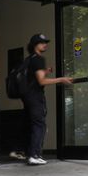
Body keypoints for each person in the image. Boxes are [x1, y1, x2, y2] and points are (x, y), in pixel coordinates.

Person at [21, 33, 72, 165]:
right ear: (35, 45)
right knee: (40, 125)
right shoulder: (38, 59)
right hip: (35, 97)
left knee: (33, 125)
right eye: (42, 42)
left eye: (45, 42)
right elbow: (41, 81)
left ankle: (30, 153)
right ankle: (34, 155)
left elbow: (34, 76)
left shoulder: (29, 59)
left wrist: (46, 71)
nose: (45, 44)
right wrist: (61, 79)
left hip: (27, 97)